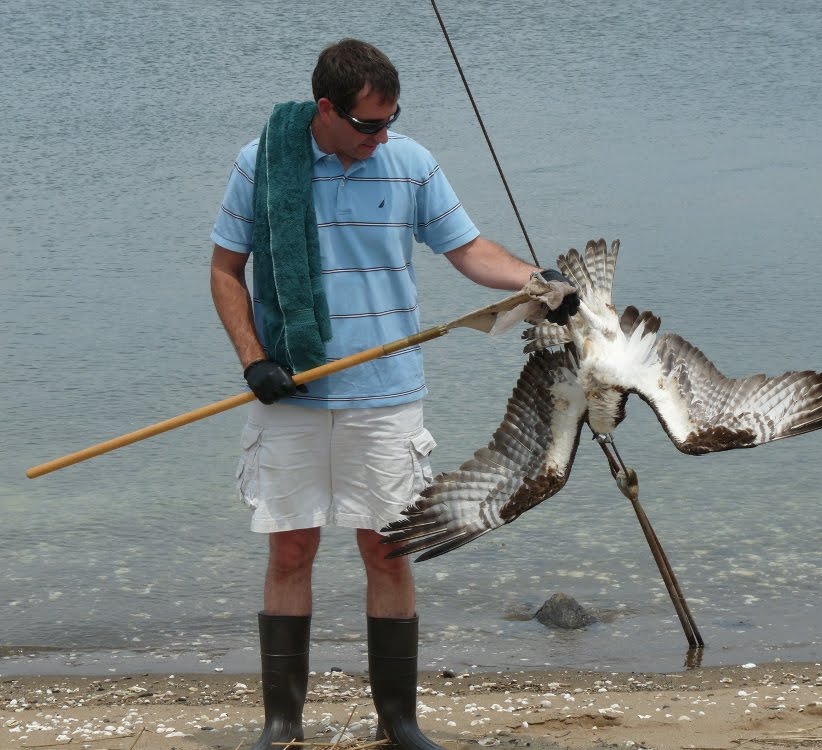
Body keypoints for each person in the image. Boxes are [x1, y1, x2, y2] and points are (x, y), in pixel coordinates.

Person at [209, 39, 578, 750]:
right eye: (368, 126)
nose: (381, 139)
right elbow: (227, 271)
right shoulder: (261, 165)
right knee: (290, 551)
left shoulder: (409, 163)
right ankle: (281, 726)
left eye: (391, 121)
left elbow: (468, 251)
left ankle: (399, 724)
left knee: (389, 551)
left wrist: (539, 281)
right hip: (291, 394)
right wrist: (255, 361)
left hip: (387, 397)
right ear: (326, 109)